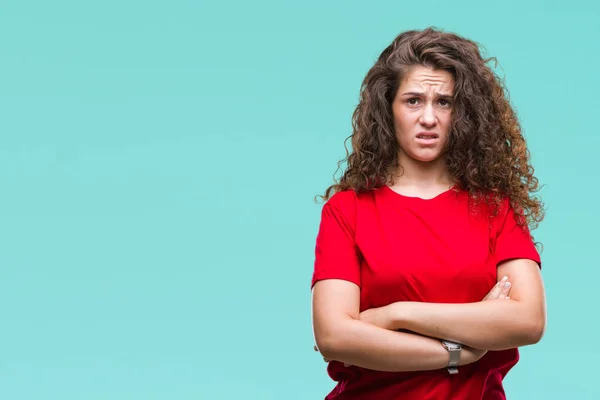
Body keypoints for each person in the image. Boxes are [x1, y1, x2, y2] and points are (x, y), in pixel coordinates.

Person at [310, 27, 547, 400]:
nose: (429, 118)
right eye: (414, 100)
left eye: (444, 102)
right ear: (388, 109)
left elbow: (528, 320)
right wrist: (459, 352)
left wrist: (396, 314)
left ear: (464, 112)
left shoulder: (496, 208)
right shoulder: (347, 210)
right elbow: (334, 336)